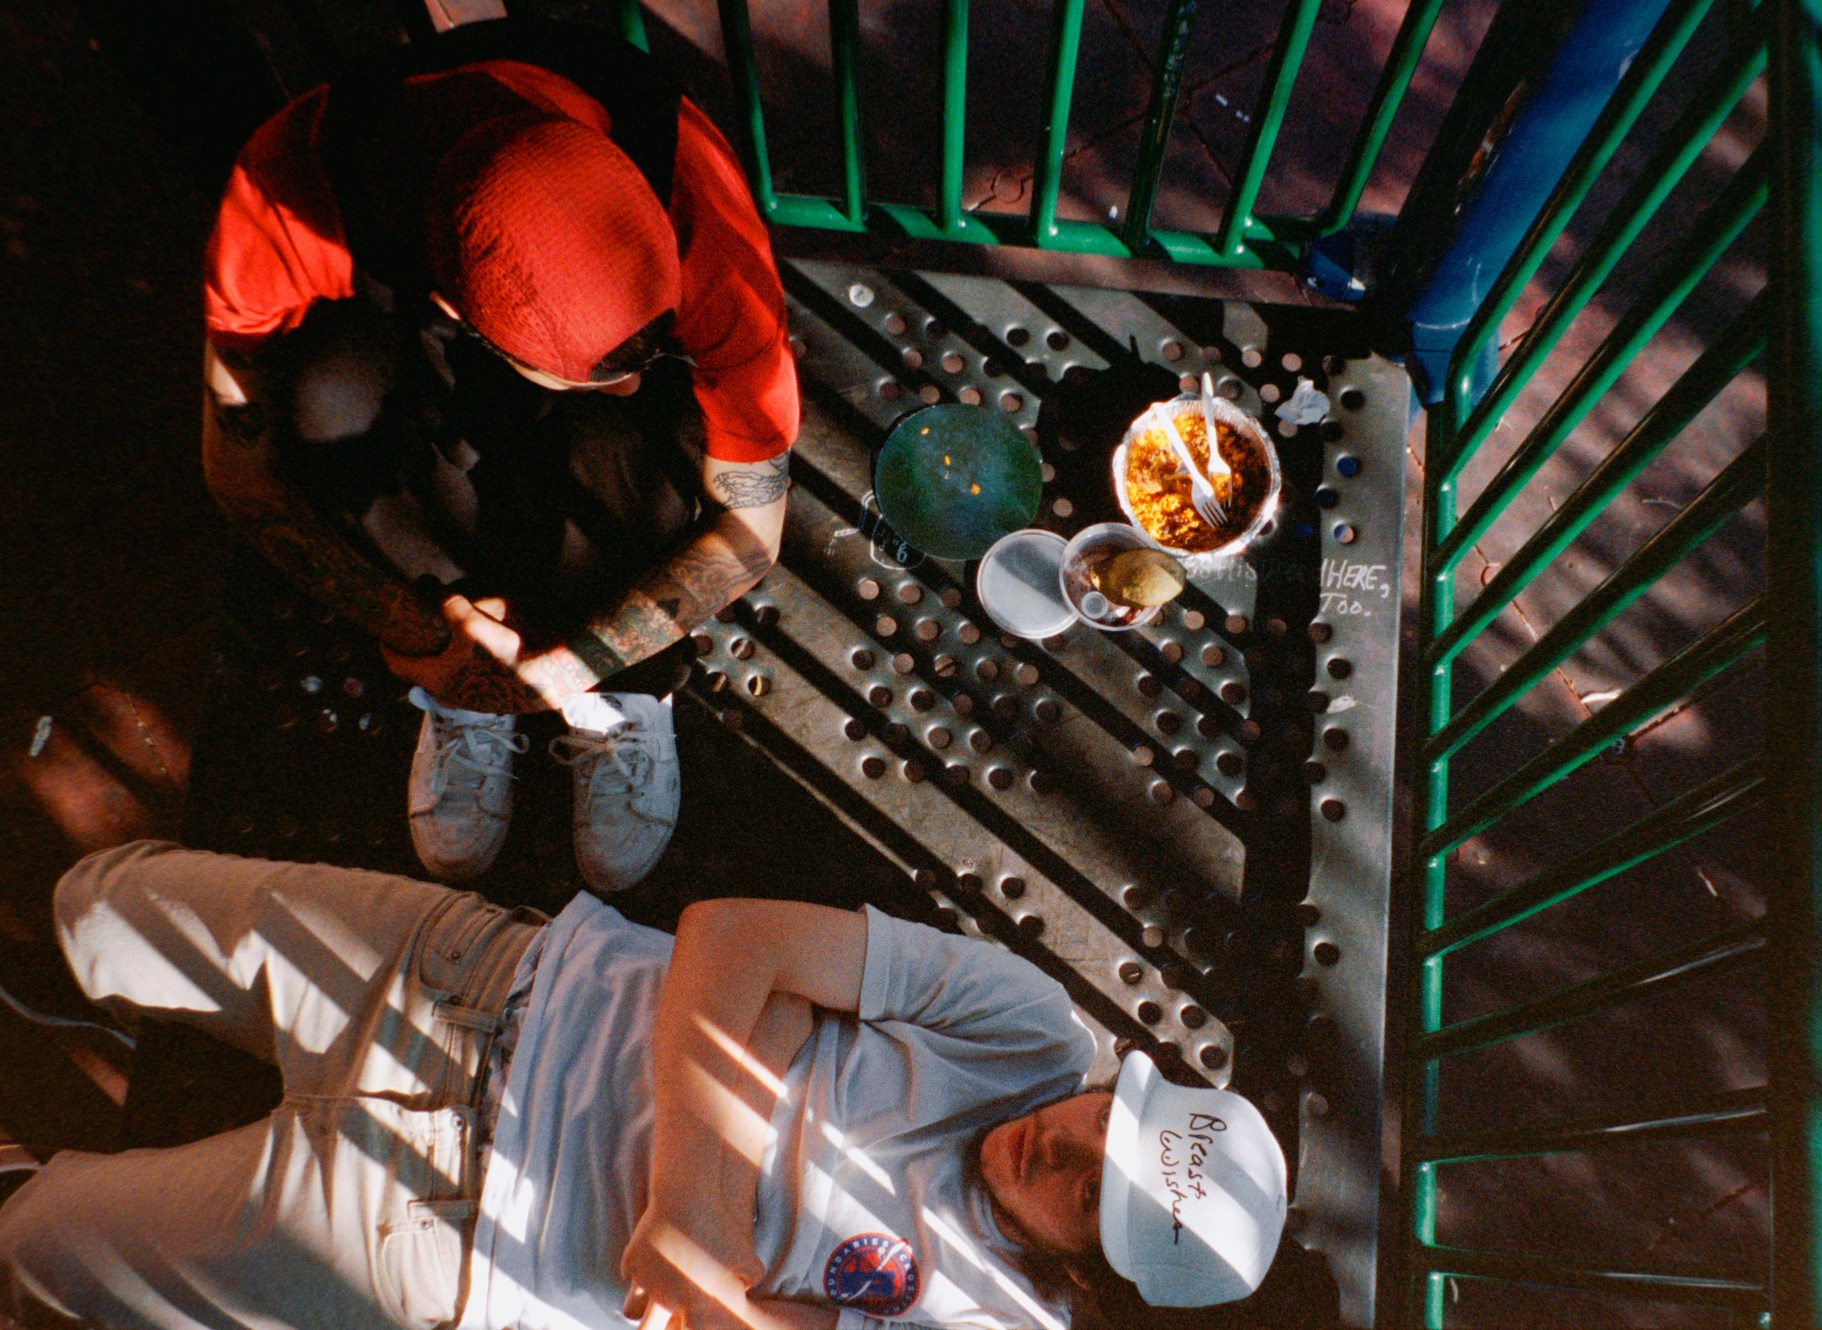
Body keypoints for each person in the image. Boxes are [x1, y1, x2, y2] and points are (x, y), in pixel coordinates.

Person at [0, 842, 1289, 1330]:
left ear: (1090, 1268)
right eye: (1103, 1123)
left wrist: (772, 1036)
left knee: (41, 1242)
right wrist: (699, 1216)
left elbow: (754, 981)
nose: (1057, 1147)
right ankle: (77, 987)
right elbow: (733, 930)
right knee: (99, 901)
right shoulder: (1027, 1023)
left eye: (1087, 1195)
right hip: (477, 978)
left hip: (444, 1239)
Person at [199, 19, 798, 893]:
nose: (623, 389)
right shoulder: (292, 190)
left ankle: (631, 692)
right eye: (593, 377)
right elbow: (237, 468)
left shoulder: (690, 197)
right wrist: (428, 644)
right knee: (325, 395)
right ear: (454, 307)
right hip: (407, 332)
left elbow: (754, 529)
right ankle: (455, 692)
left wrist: (567, 668)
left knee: (669, 432)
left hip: (497, 321)